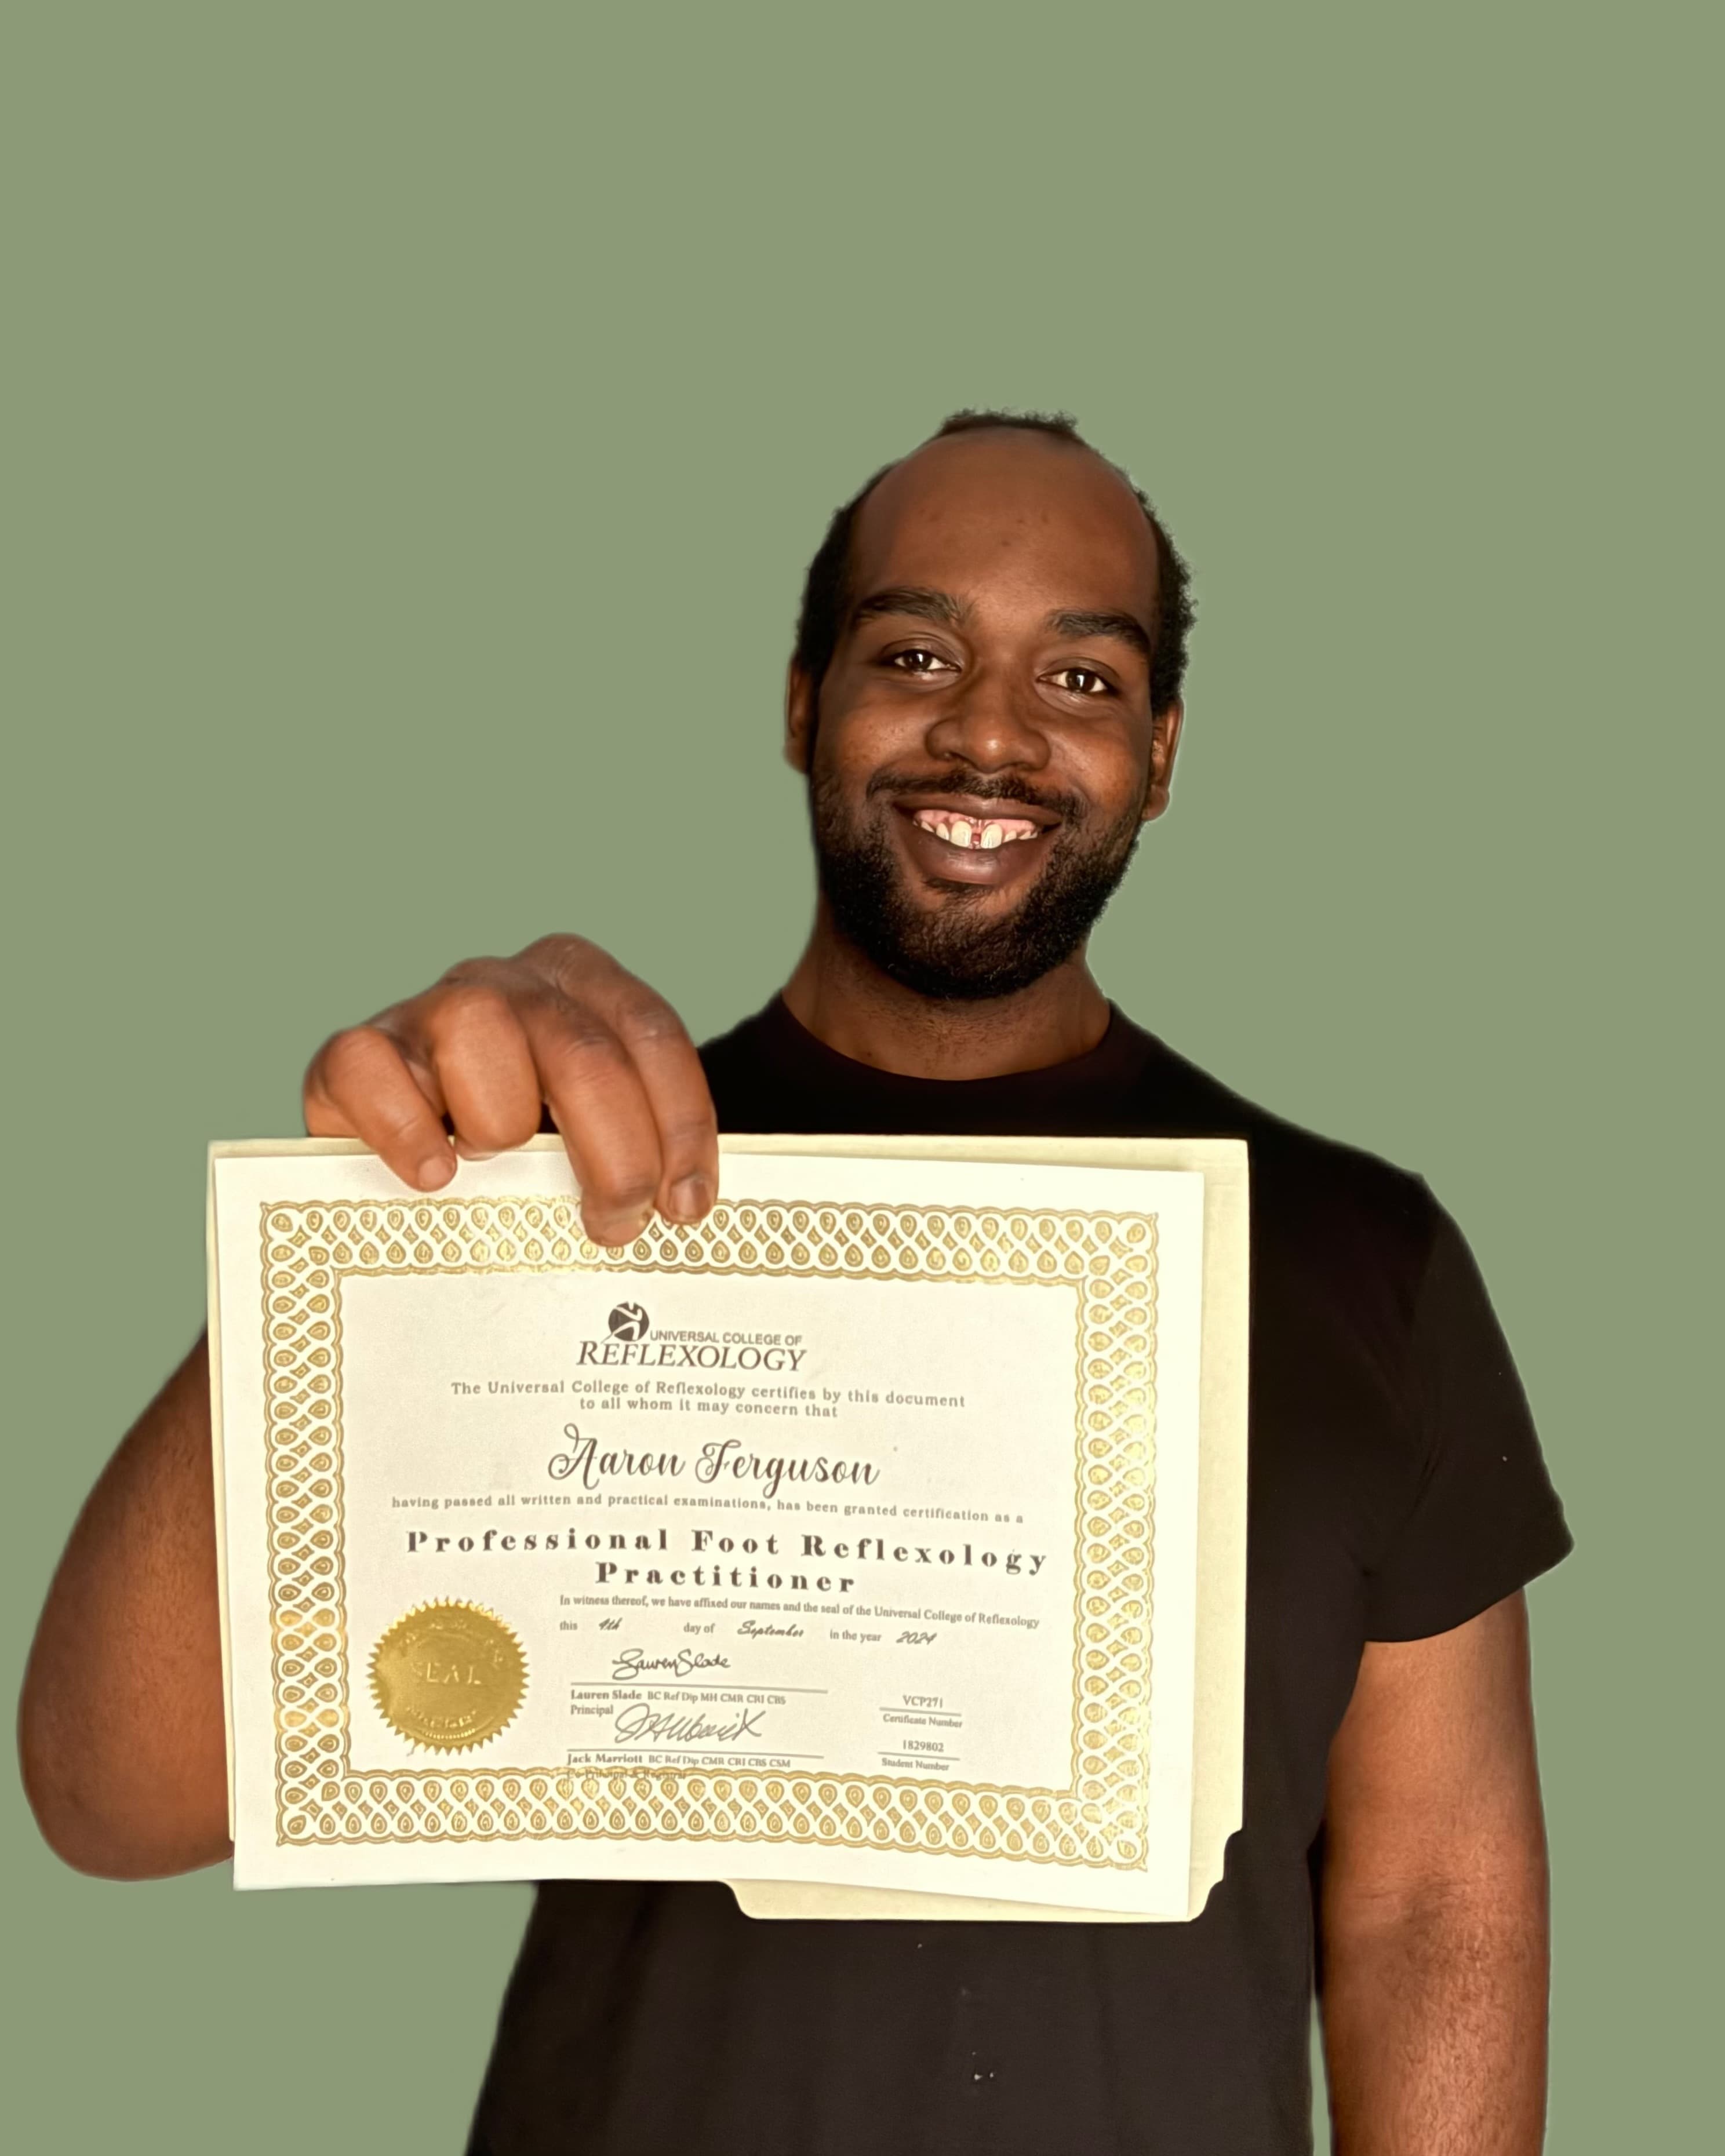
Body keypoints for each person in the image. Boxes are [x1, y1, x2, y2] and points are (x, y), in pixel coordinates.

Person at [20, 410, 1572, 2155]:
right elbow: (110, 1797)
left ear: (1160, 756)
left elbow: (1436, 1901)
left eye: (1081, 678)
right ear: (800, 705)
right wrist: (364, 1228)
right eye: (916, 655)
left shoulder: (1367, 1259)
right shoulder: (548, 1182)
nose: (990, 732)